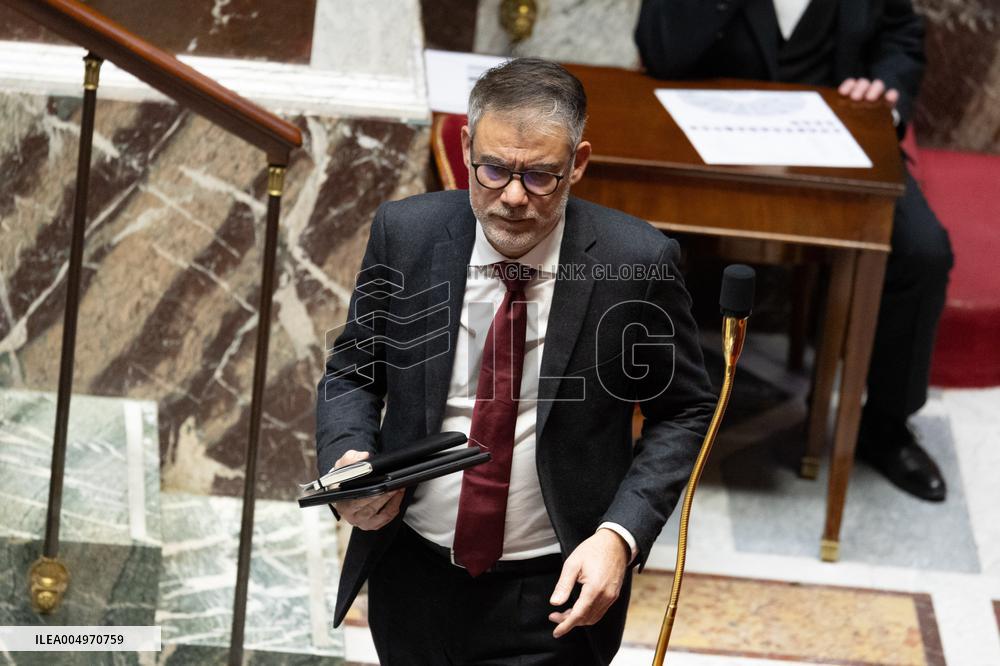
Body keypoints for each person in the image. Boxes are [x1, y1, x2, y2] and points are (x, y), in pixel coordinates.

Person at [315, 57, 715, 664]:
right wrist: (348, 461)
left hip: (552, 593)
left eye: (540, 176)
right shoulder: (407, 234)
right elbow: (352, 373)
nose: (512, 198)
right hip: (413, 574)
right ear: (467, 145)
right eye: (494, 169)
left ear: (578, 162)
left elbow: (684, 410)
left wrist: (621, 534)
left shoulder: (636, 262)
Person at [635, 0, 954, 501]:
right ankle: (626, 409)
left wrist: (884, 96)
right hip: (703, 142)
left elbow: (901, 37)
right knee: (628, 234)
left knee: (923, 252)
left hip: (834, 143)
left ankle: (886, 426)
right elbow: (660, 52)